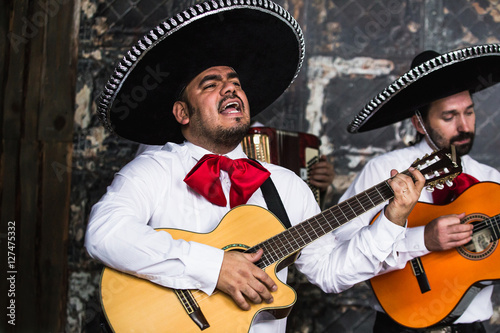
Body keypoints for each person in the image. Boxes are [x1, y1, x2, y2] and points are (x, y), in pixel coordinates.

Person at [85, 2, 423, 332]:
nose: (231, 86)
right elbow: (105, 235)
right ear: (182, 113)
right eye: (211, 83)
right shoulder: (154, 170)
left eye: (234, 81)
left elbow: (330, 273)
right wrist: (214, 267)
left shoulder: (286, 185)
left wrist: (393, 218)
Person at [297, 45, 500, 332]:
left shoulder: (491, 180)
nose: (464, 126)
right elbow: (343, 253)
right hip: (402, 324)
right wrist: (423, 239)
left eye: (469, 112)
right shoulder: (384, 172)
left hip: (473, 327)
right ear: (419, 123)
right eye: (449, 116)